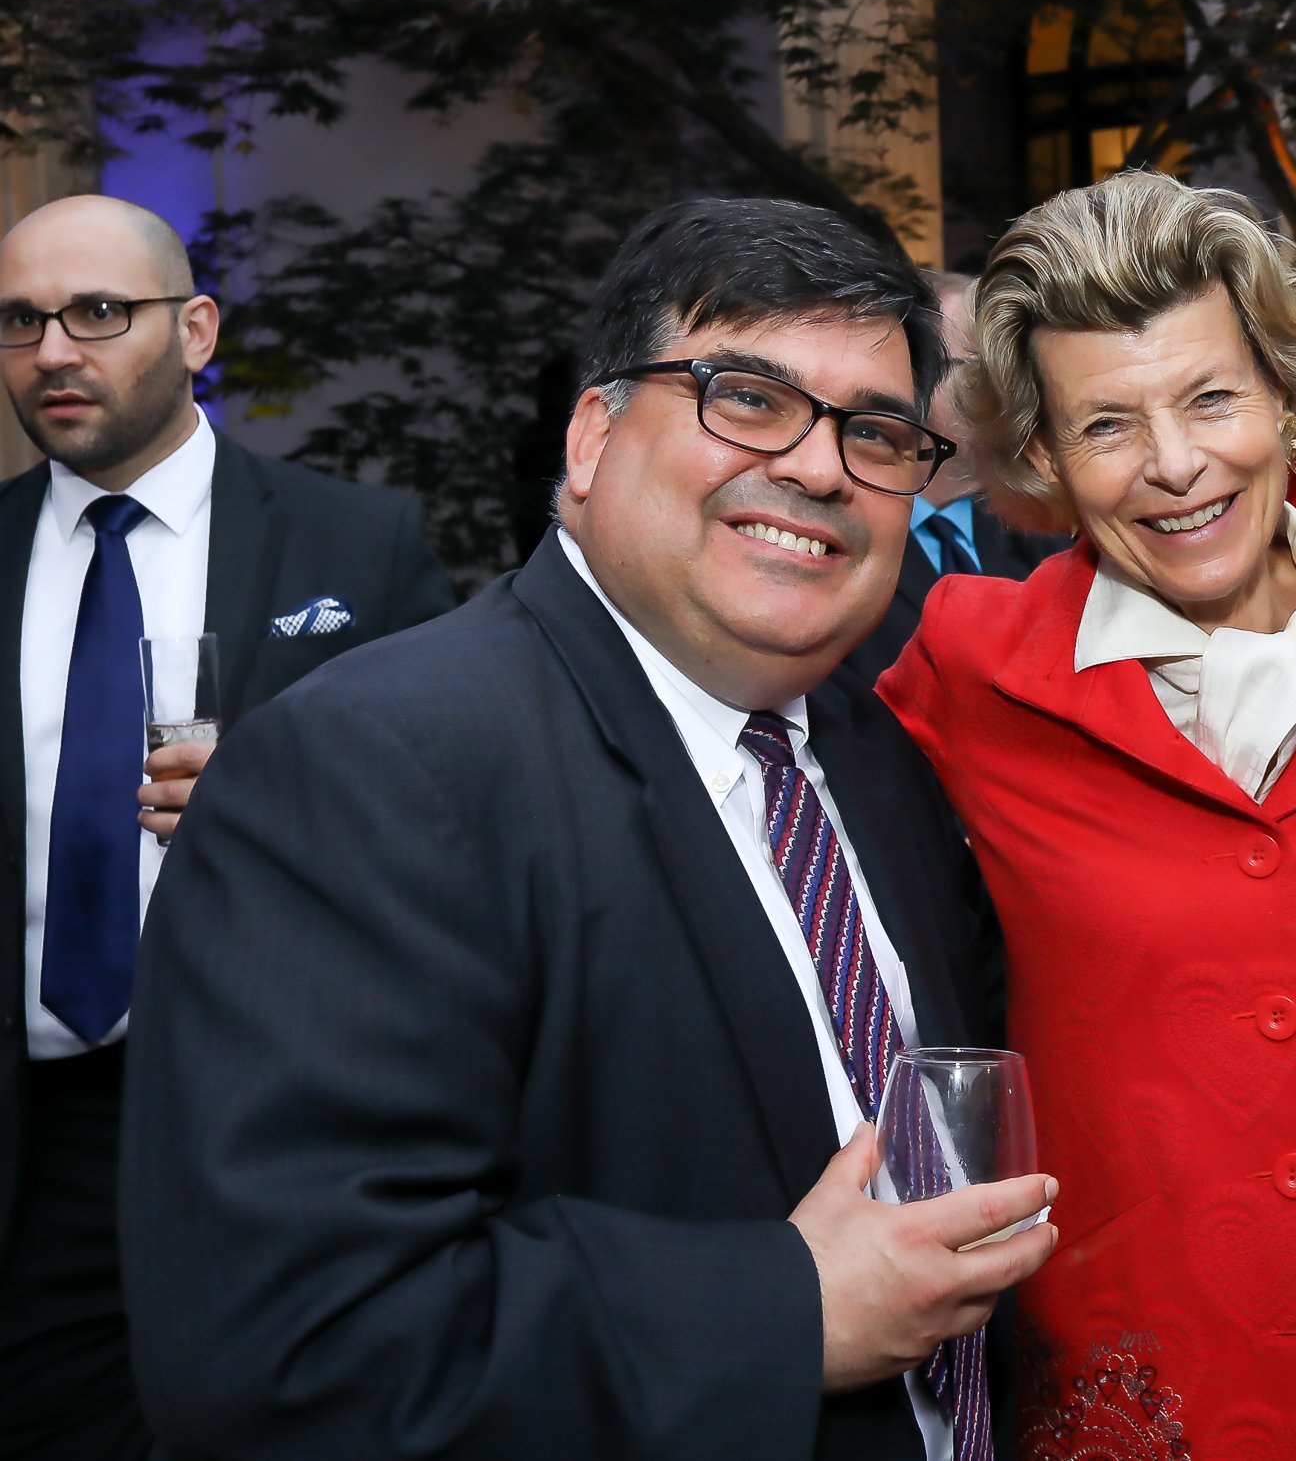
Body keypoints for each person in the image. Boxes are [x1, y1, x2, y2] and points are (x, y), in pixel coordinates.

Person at [118, 197, 1058, 1460]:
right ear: (592, 433)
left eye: (878, 432)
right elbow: (288, 1348)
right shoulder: (366, 770)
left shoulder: (887, 746)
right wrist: (784, 1308)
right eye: (748, 397)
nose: (821, 466)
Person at [879, 172, 1296, 1461]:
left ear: (1284, 396)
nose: (1174, 464)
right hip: (1145, 1393)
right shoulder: (968, 672)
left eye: (1212, 395)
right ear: (1044, 456)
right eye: (1106, 423)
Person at [0, 193, 454, 1460]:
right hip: (43, 1144)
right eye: (21, 321)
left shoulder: (358, 543)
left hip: (286, 1112)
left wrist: (296, 793)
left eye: (98, 312)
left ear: (197, 328)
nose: (53, 352)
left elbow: (466, 811)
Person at [843, 270, 1067, 681]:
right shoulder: (835, 536)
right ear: (912, 379)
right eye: (987, 366)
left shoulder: (1050, 536)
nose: (1018, 388)